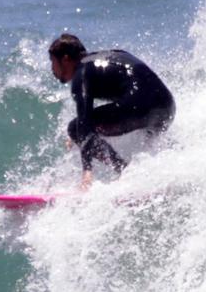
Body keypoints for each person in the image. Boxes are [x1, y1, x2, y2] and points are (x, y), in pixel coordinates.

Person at [48, 33, 175, 189]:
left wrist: (87, 170)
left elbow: (84, 121)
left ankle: (123, 171)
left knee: (75, 128)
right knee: (146, 143)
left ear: (65, 60)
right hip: (166, 107)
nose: (52, 69)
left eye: (52, 62)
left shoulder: (80, 75)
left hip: (142, 107)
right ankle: (157, 178)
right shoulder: (108, 57)